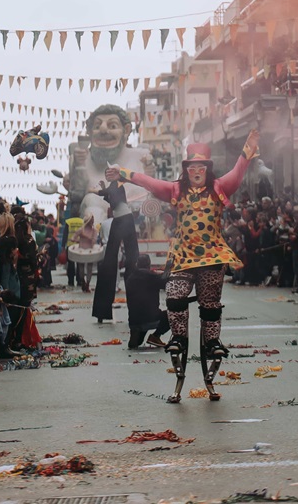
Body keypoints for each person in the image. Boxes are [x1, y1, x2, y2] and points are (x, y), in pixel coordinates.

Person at [105, 130, 259, 402]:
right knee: (175, 296)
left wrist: (247, 150)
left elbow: (237, 172)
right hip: (184, 256)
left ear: (208, 169)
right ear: (186, 169)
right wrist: (124, 172)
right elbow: (151, 182)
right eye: (191, 167)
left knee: (210, 305)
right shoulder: (176, 190)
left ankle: (212, 343)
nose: (196, 171)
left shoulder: (219, 188)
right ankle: (177, 337)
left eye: (201, 166)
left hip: (211, 256)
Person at [91, 178, 139, 322]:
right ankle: (102, 311)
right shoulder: (114, 186)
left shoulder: (118, 184)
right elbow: (113, 199)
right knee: (108, 264)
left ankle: (136, 308)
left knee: (132, 261)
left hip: (125, 219)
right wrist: (103, 190)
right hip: (120, 220)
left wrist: (99, 191)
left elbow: (113, 196)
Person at [125, 254, 168, 349]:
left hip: (133, 320)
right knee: (171, 315)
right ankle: (155, 336)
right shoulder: (152, 277)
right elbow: (165, 283)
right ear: (149, 264)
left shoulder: (130, 278)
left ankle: (136, 332)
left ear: (137, 264)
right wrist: (167, 271)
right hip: (151, 317)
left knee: (136, 343)